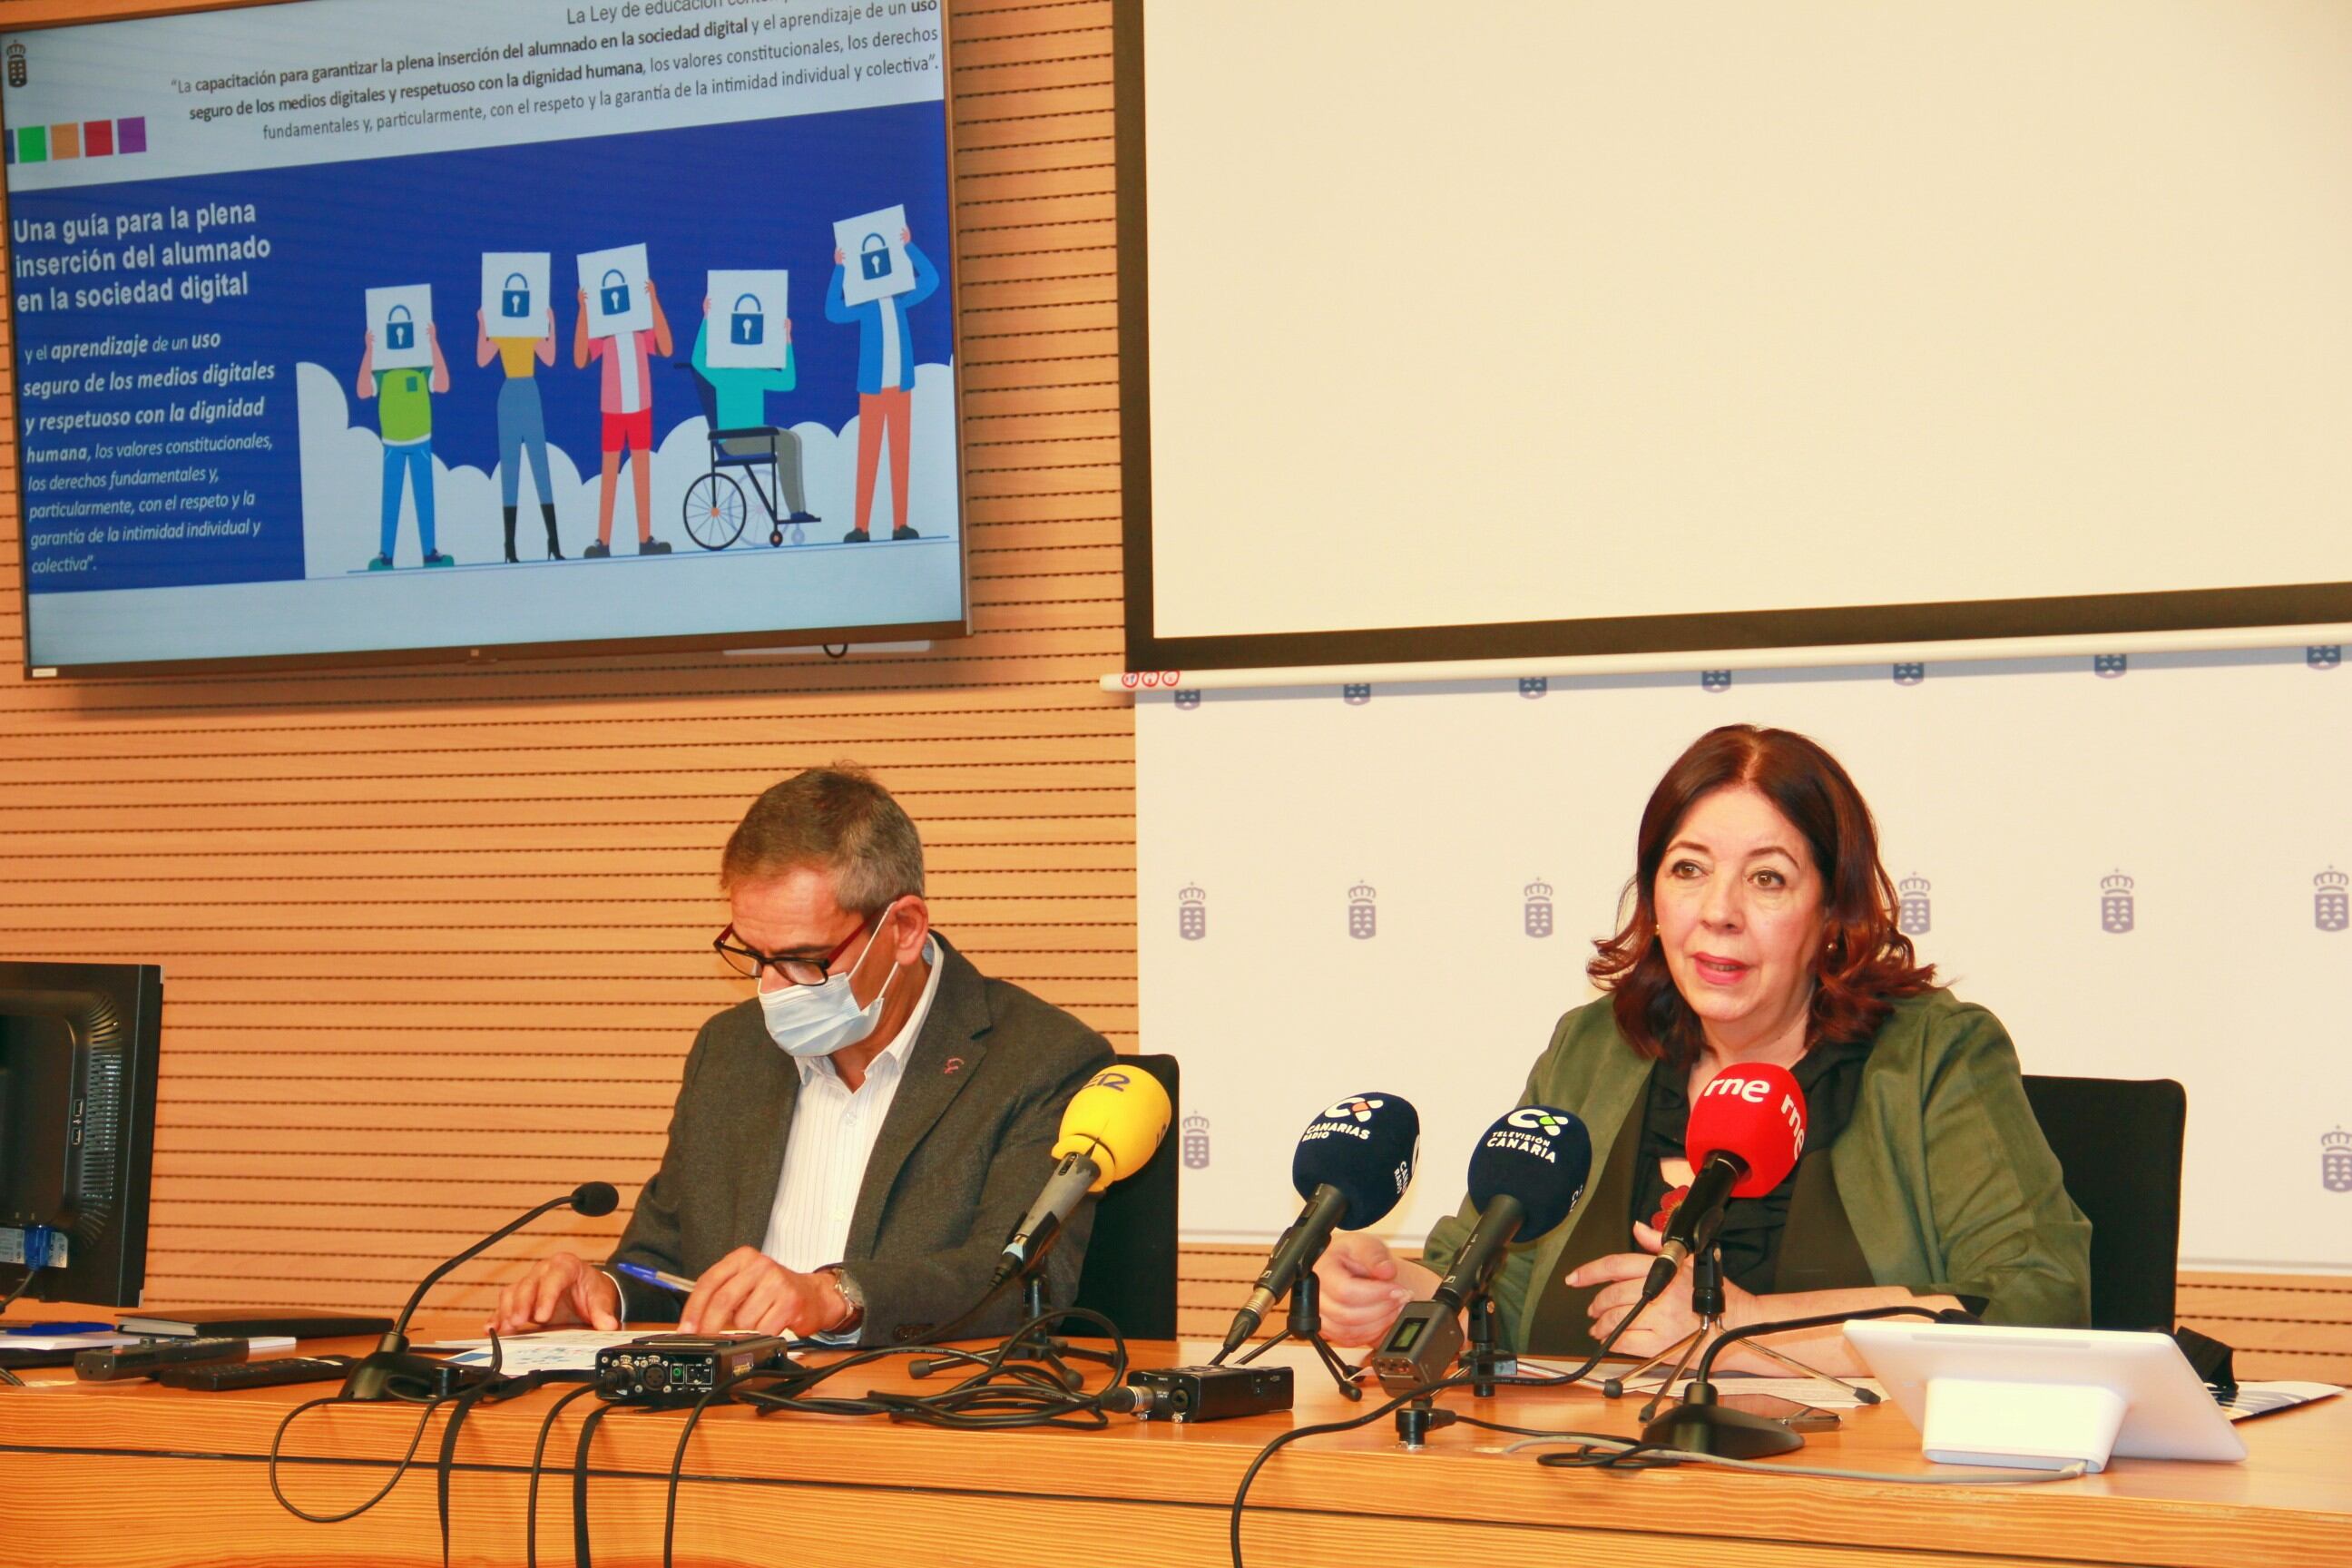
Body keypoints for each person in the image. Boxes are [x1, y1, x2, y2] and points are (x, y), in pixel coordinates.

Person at [1314, 724, 2091, 1373]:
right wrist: (1395, 1291)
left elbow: (2038, 1300)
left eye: (1769, 879)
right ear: (1653, 894)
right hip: (1586, 1494)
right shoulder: (1596, 1048)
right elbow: (1493, 1281)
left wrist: (1739, 1330)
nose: (1718, 912)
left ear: (1833, 909)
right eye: (1688, 870)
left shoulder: (1931, 1057)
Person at [491, 767, 1113, 1343]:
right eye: (755, 957)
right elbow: (665, 1266)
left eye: (804, 960)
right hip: (723, 1429)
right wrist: (607, 1292)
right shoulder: (731, 1052)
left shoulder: (1040, 1060)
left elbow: (1018, 1283)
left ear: (904, 930)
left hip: (911, 1430)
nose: (773, 990)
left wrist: (835, 1296)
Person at [824, 224, 940, 544]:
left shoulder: (902, 295)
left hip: (901, 386)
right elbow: (832, 310)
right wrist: (839, 269)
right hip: (872, 388)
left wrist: (908, 247)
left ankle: (900, 524)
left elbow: (932, 280)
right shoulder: (863, 302)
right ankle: (860, 527)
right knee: (868, 456)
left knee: (900, 455)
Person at [691, 294, 819, 532]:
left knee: (791, 439)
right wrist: (706, 319)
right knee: (789, 440)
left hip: (754, 436)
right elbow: (697, 360)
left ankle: (796, 511)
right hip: (733, 440)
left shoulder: (757, 371)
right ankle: (796, 511)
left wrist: (787, 340)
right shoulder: (723, 372)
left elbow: (788, 382)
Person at [573, 276, 674, 558]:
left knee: (641, 473)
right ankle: (602, 541)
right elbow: (580, 358)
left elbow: (666, 347)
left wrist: (653, 299)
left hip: (641, 408)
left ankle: (645, 539)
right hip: (613, 411)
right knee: (610, 474)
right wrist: (583, 310)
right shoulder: (604, 335)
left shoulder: (642, 333)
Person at [356, 316, 453, 570]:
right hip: (392, 445)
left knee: (424, 497)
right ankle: (385, 555)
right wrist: (369, 351)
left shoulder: (421, 368)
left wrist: (433, 342)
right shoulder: (383, 372)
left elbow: (443, 384)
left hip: (421, 442)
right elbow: (363, 390)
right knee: (391, 499)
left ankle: (429, 552)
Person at [476, 304, 563, 563]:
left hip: (529, 392)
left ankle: (554, 542)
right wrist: (483, 324)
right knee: (510, 471)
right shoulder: (502, 329)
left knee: (541, 468)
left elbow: (548, 357)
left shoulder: (530, 327)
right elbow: (482, 359)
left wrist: (551, 324)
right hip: (510, 394)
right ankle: (510, 547)